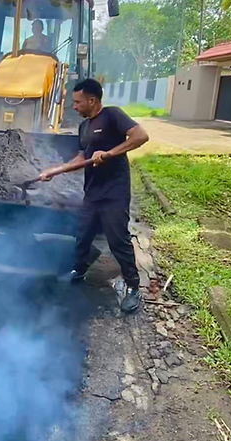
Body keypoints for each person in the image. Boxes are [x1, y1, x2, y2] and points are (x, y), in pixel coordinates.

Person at [38, 78, 149, 312]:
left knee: (118, 240)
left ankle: (133, 288)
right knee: (83, 234)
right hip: (93, 192)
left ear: (92, 100)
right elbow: (81, 158)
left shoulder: (112, 115)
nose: (74, 106)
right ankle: (79, 270)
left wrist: (109, 153)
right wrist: (54, 171)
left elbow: (140, 136)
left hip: (114, 192)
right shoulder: (84, 127)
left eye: (78, 102)